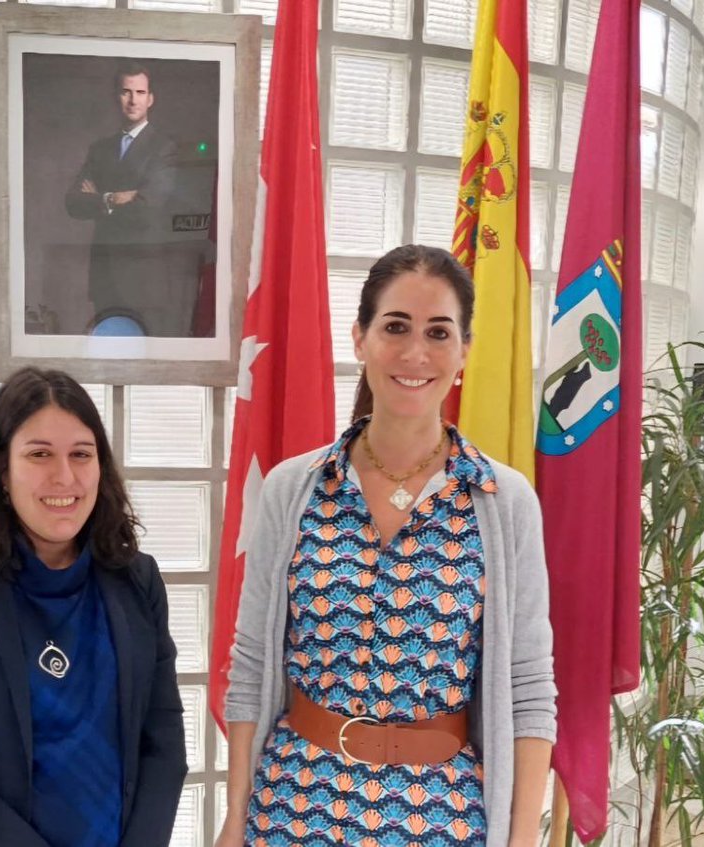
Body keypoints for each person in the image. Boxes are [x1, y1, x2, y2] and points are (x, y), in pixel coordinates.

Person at [218, 245, 557, 847]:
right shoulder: (293, 489)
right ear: (360, 338)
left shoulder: (504, 501)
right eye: (395, 327)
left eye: (438, 332)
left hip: (443, 818)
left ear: (464, 351)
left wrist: (524, 840)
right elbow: (248, 667)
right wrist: (234, 820)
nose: (415, 352)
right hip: (294, 810)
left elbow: (530, 690)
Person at [0, 367, 187, 847]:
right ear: (1, 471)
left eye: (81, 454)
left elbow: (163, 749)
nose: (64, 476)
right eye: (39, 454)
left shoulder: (137, 581)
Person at [65, 62, 181, 336]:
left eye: (140, 92)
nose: (133, 100)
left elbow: (148, 210)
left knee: (143, 362)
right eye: (126, 92)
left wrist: (98, 199)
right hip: (105, 273)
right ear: (116, 97)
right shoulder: (100, 149)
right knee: (106, 356)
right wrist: (114, 198)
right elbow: (72, 203)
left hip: (143, 276)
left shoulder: (164, 148)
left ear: (150, 99)